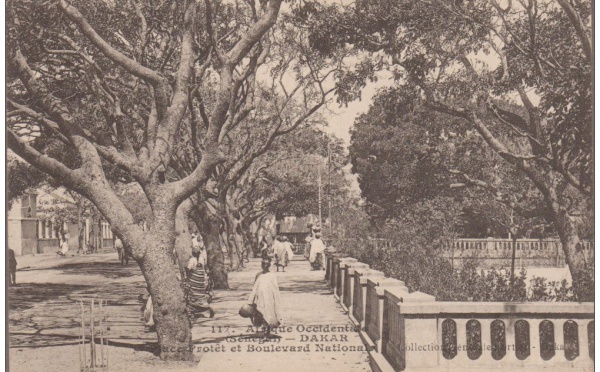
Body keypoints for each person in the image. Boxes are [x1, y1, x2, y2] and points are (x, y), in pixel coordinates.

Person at [248, 258, 282, 339]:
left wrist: (276, 300)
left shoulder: (272, 275)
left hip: (269, 298)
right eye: (263, 263)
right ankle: (264, 332)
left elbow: (275, 288)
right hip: (259, 298)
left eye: (266, 264)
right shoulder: (258, 275)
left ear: (269, 265)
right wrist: (251, 300)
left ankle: (267, 333)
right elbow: (255, 287)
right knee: (260, 314)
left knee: (269, 315)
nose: (265, 265)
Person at [184, 246, 215, 322]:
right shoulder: (201, 259)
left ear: (193, 253)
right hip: (200, 281)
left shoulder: (192, 260)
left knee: (191, 295)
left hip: (194, 281)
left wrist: (185, 269)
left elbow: (189, 269)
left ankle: (192, 310)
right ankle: (204, 307)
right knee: (200, 295)